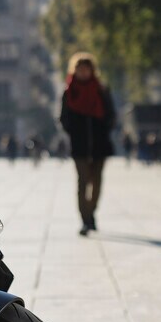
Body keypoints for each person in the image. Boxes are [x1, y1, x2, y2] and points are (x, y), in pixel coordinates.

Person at [59, 52, 115, 235]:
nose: (83, 72)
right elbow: (64, 118)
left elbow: (111, 114)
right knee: (82, 182)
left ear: (92, 70)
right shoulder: (69, 92)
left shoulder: (101, 89)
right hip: (80, 145)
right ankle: (85, 220)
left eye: (86, 69)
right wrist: (74, 132)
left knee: (97, 182)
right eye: (80, 69)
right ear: (75, 71)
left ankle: (91, 212)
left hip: (99, 143)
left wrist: (105, 129)